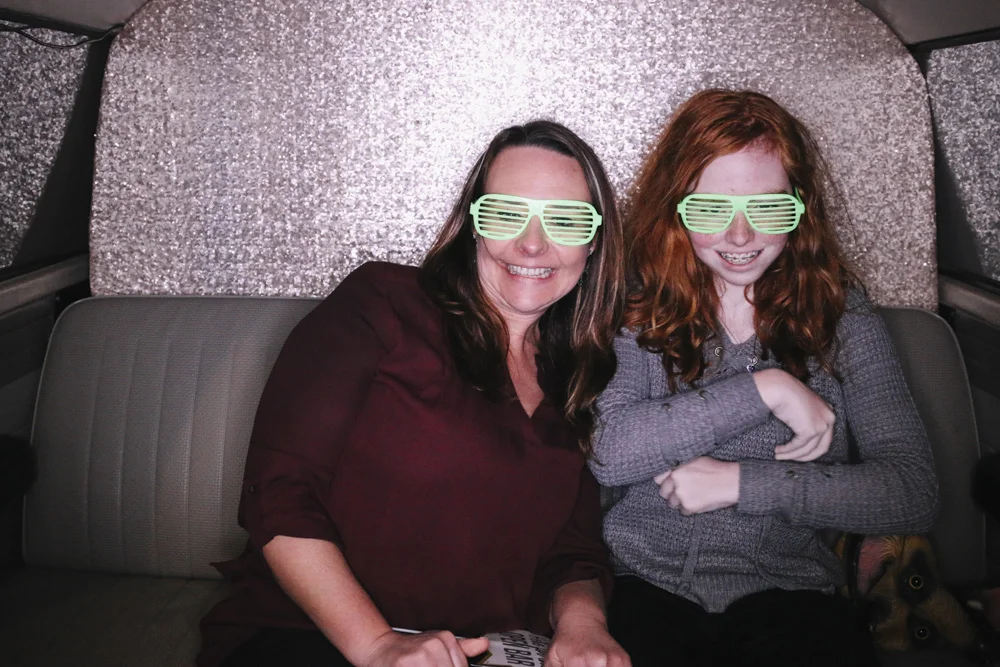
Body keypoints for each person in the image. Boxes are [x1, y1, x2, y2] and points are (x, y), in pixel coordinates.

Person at [197, 120, 630, 667]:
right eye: (505, 213)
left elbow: (574, 553)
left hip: (476, 652)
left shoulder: (579, 371)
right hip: (309, 637)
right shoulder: (382, 304)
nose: (532, 242)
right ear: (472, 225)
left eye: (565, 220)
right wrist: (378, 645)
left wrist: (585, 626)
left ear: (594, 243)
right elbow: (280, 492)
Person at [590, 89, 938, 666]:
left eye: (768, 208)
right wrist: (765, 390)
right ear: (676, 208)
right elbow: (610, 450)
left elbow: (912, 491)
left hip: (793, 597)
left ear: (801, 207)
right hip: (642, 589)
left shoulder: (843, 318)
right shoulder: (636, 308)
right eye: (711, 209)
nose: (741, 235)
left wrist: (742, 484)